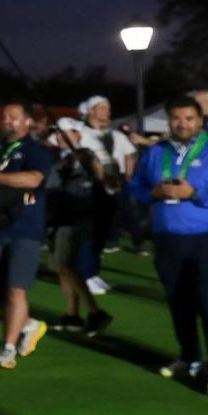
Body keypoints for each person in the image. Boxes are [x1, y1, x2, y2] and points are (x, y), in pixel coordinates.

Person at [129, 94, 208, 399]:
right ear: (169, 121)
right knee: (178, 301)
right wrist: (151, 192)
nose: (182, 124)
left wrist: (196, 192)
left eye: (189, 118)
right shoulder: (155, 153)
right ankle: (189, 357)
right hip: (167, 238)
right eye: (176, 118)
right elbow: (136, 188)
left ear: (200, 121)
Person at [0, 103, 54, 368]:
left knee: (16, 290)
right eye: (4, 116)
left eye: (14, 117)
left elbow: (33, 180)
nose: (7, 121)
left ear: (27, 122)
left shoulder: (36, 150)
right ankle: (28, 324)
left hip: (25, 227)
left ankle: (8, 349)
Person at [46, 118, 110, 336]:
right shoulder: (58, 157)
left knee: (67, 267)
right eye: (58, 133)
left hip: (77, 218)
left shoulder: (86, 155)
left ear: (78, 134)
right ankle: (72, 315)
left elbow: (103, 178)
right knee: (62, 268)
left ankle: (95, 312)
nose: (60, 137)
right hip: (58, 217)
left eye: (66, 133)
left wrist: (84, 160)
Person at [75, 95, 136, 292]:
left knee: (103, 229)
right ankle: (84, 275)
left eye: (108, 108)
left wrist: (126, 175)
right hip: (87, 182)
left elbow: (129, 154)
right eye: (102, 108)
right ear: (91, 111)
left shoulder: (115, 134)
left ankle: (93, 272)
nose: (107, 112)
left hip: (112, 182)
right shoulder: (80, 132)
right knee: (88, 230)